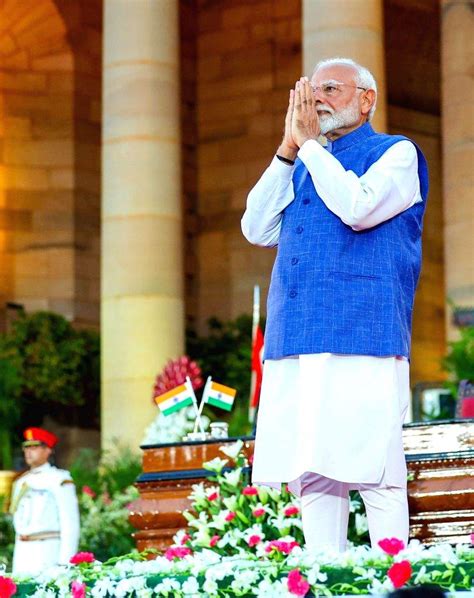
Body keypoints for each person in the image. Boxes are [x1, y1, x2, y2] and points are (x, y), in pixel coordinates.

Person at [241, 57, 429, 552]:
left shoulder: (397, 154)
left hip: (361, 335)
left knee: (376, 469)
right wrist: (287, 150)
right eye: (312, 90)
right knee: (312, 471)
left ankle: (394, 578)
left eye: (331, 88)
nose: (318, 99)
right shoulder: (303, 165)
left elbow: (359, 207)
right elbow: (256, 228)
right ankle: (327, 575)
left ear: (367, 100)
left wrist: (308, 148)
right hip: (296, 339)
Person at [10, 427, 80, 575]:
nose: (29, 451)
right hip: (23, 553)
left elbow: (70, 523)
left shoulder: (59, 479)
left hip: (47, 552)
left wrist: (65, 563)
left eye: (34, 447)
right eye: (26, 447)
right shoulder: (21, 482)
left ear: (48, 450)